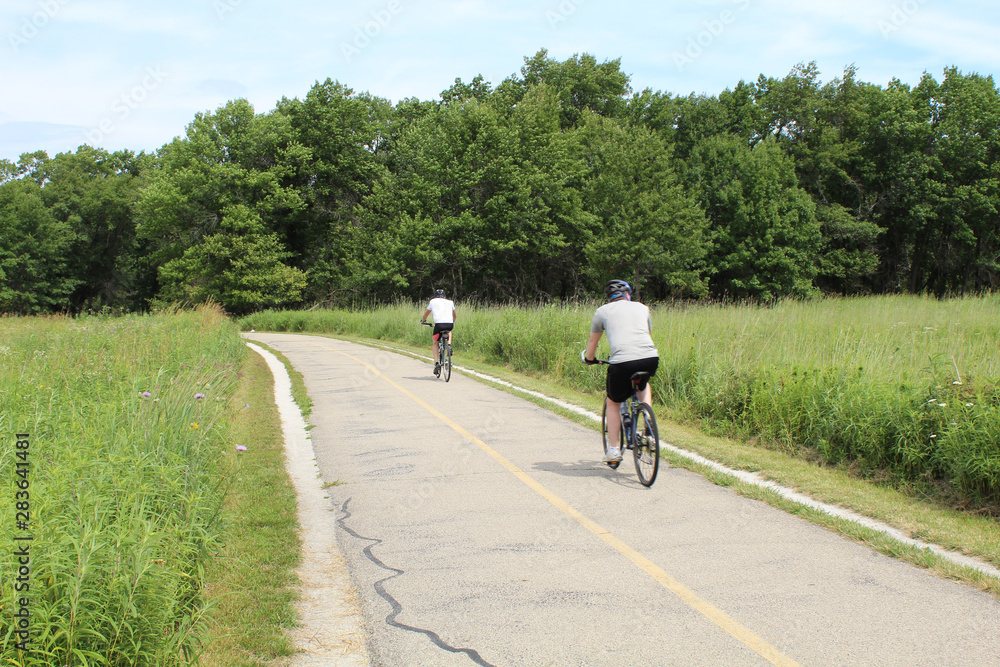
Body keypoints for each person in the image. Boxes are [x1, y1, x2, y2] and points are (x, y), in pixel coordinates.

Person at [583, 279, 659, 463]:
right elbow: (647, 335)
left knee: (613, 402)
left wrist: (590, 359)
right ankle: (647, 419)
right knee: (643, 384)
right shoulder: (643, 308)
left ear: (609, 298)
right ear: (627, 294)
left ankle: (614, 450)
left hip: (622, 362)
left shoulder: (602, 311)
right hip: (650, 358)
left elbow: (593, 342)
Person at [420, 288, 456, 376]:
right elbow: (454, 315)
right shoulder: (450, 302)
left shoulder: (433, 301)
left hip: (439, 325)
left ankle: (436, 363)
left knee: (435, 343)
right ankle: (449, 345)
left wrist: (423, 321)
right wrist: (453, 321)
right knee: (449, 331)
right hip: (449, 324)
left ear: (435, 296)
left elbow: (426, 313)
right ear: (444, 297)